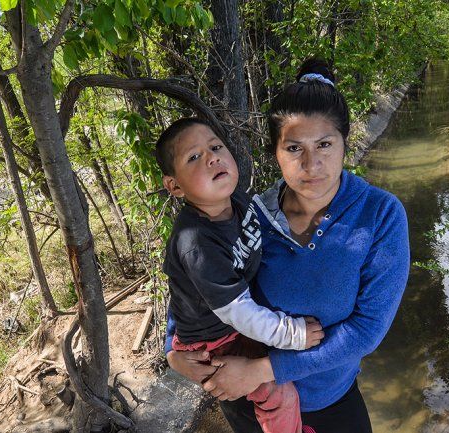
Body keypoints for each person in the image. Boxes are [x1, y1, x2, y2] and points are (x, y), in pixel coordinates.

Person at [166, 58, 410, 433]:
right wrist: (173, 351)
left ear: (346, 142)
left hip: (329, 402)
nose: (312, 164)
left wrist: (264, 370)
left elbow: (366, 330)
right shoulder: (253, 214)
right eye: (295, 148)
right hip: (247, 400)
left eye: (325, 144)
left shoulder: (379, 215)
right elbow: (195, 283)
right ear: (275, 152)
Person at [155, 117, 326, 433]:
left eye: (216, 147)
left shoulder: (238, 201)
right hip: (214, 340)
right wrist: (294, 333)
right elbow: (239, 312)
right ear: (175, 186)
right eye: (194, 157)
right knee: (277, 392)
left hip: (229, 324)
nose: (212, 157)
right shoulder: (196, 241)